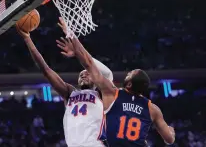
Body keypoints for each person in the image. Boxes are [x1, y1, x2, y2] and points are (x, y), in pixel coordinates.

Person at [61, 17, 176, 146]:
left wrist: (73, 39)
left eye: (129, 74)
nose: (127, 73)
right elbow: (169, 139)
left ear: (129, 84)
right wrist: (171, 131)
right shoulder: (152, 109)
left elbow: (88, 63)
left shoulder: (113, 94)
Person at [16, 24, 112, 147]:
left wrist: (77, 51)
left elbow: (95, 67)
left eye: (87, 74)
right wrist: (27, 38)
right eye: (81, 74)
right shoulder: (70, 93)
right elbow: (46, 70)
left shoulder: (102, 93)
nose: (83, 75)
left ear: (96, 78)